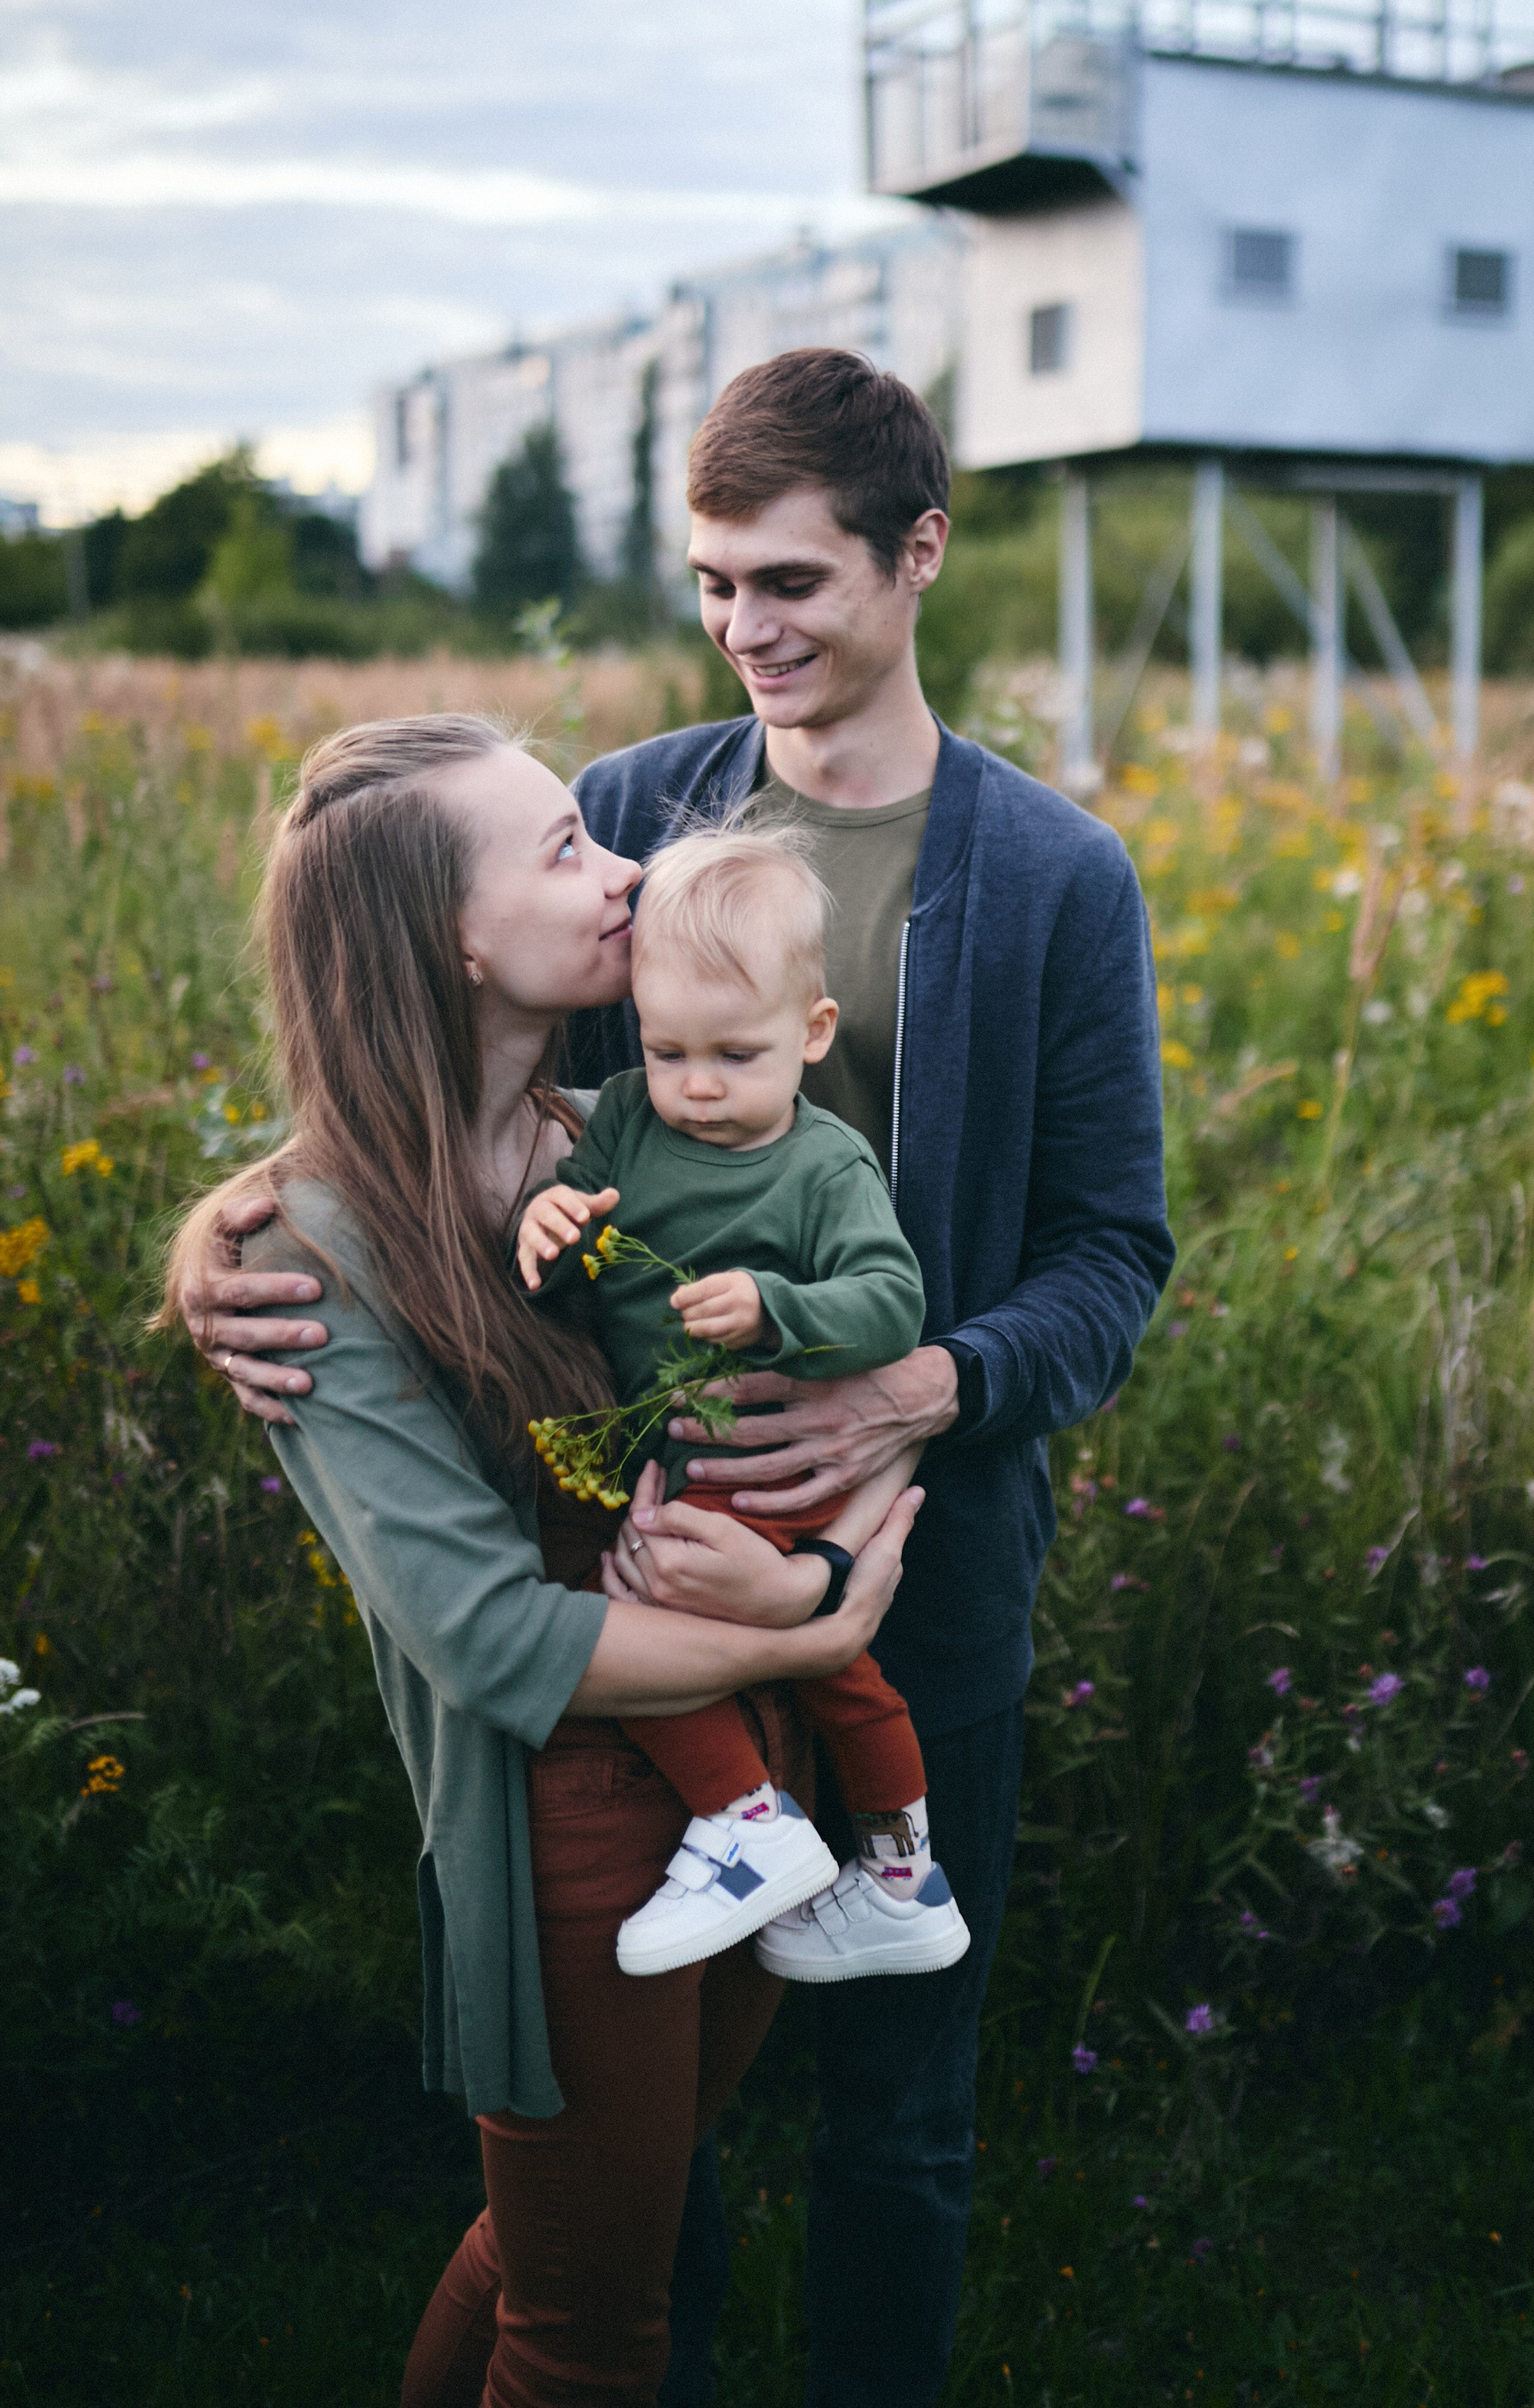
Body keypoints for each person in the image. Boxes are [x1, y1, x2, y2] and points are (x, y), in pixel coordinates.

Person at [185, 347, 1175, 2408]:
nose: (747, 630)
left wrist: (928, 1388)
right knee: (663, 2132)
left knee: (899, 2112)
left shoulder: (1055, 880)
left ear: (920, 554)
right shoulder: (627, 817)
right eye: (715, 582)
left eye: (793, 581)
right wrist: (222, 1225)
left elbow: (1111, 1255)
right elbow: (422, 1077)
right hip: (642, 1573)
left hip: (924, 1572)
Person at [165, 712, 918, 2406]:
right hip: (568, 1827)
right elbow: (496, 1639)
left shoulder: (621, 1137)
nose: (625, 872)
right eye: (564, 850)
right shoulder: (305, 1252)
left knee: (559, 2250)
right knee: (592, 2333)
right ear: (451, 938)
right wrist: (810, 1632)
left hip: (751, 1790)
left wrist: (823, 1557)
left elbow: (834, 1329)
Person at [517, 823, 968, 1983]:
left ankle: (785, 1837)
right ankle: (866, 1864)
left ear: (814, 1035)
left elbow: (891, 1302)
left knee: (692, 1640)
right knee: (783, 1660)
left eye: (735, 1054)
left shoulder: (824, 1167)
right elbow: (575, 1236)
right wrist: (550, 1230)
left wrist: (775, 1309)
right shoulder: (625, 1116)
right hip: (654, 1455)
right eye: (670, 1053)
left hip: (762, 1466)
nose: (699, 1088)